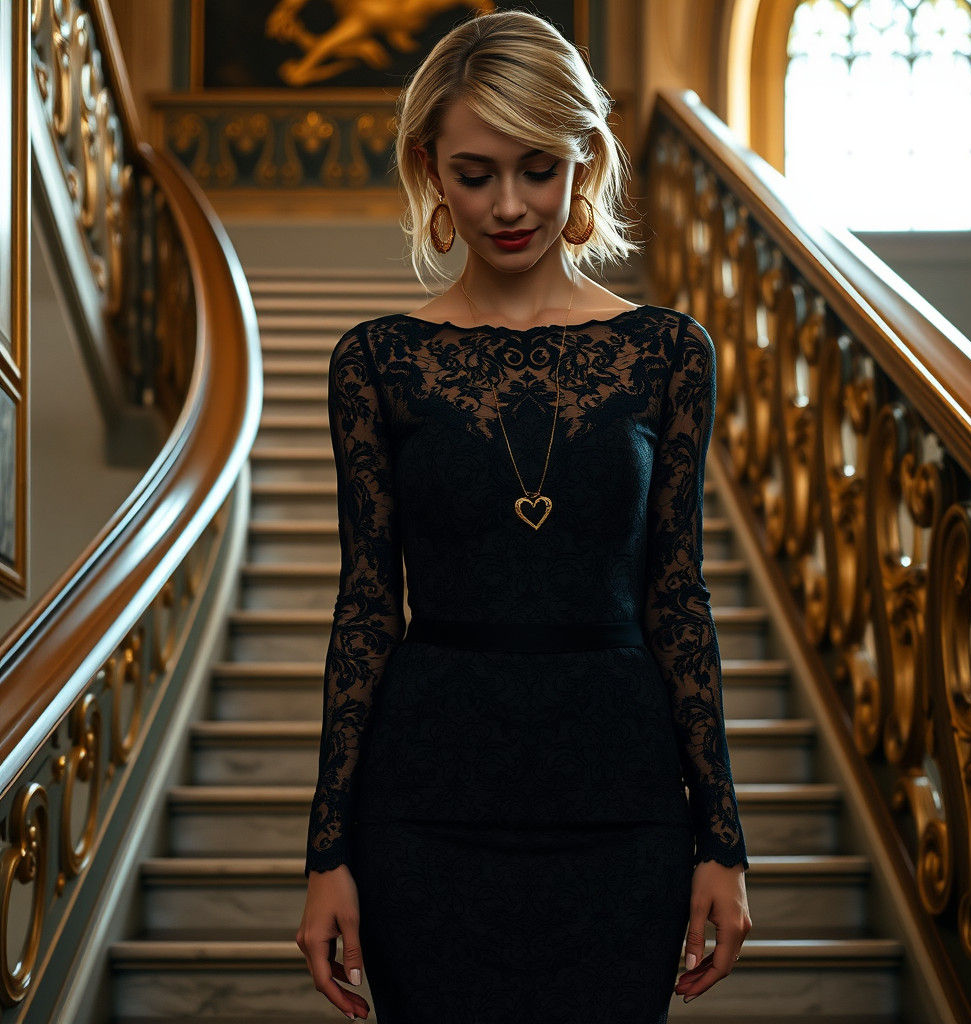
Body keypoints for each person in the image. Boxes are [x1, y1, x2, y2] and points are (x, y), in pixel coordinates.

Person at [294, 9, 751, 1023]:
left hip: (620, 805)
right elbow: (366, 606)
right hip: (426, 807)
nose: (508, 204)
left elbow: (676, 595)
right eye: (475, 173)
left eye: (538, 169)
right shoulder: (375, 361)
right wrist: (327, 852)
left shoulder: (668, 353)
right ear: (430, 170)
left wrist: (722, 839)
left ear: (584, 160)